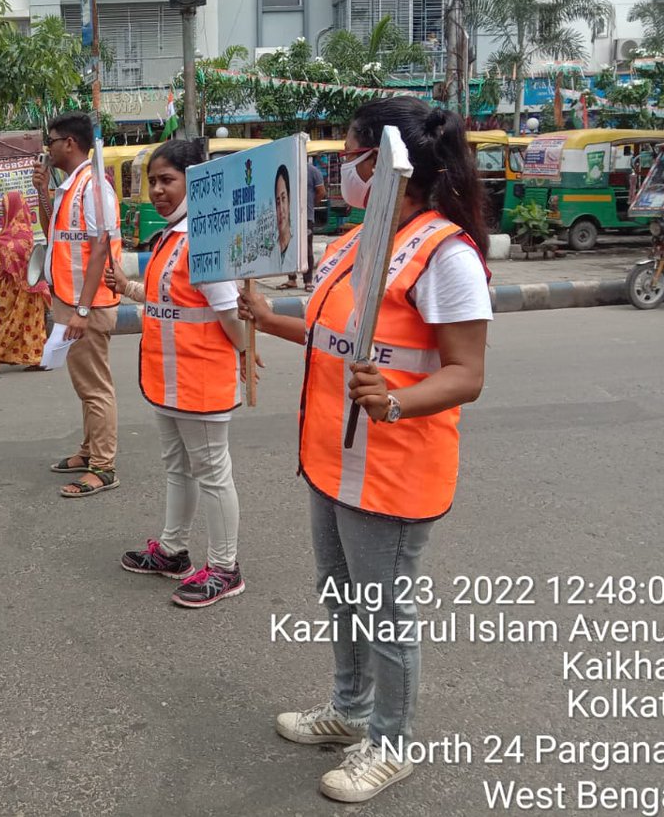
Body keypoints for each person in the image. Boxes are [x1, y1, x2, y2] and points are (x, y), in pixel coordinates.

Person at [239, 97, 491, 803]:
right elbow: (335, 337)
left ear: (384, 165)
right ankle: (348, 711)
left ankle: (391, 743)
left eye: (349, 156)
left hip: (393, 469)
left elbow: (467, 373)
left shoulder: (447, 253)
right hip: (329, 459)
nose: (341, 169)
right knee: (341, 598)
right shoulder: (358, 240)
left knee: (386, 614)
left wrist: (396, 400)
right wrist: (267, 317)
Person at [105, 140, 251, 608]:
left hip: (201, 378)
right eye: (152, 181)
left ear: (195, 181)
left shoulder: (204, 238)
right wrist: (125, 287)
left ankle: (226, 568)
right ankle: (172, 552)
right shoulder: (172, 236)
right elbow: (168, 302)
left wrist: (247, 354)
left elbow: (230, 312)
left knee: (211, 473)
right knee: (178, 468)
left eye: (167, 179)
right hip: (167, 378)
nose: (157, 190)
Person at [33, 112, 122, 499]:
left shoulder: (93, 186)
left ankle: (103, 467)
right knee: (85, 386)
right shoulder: (70, 187)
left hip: (88, 305)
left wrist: (84, 312)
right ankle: (90, 451)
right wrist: (41, 193)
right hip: (70, 301)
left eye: (50, 141)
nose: (47, 149)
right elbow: (54, 231)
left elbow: (100, 246)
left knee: (96, 388)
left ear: (69, 142)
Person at [0, 191, 50, 374]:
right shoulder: (11, 233)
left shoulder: (22, 234)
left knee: (8, 323)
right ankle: (36, 359)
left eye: (5, 208)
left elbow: (13, 254)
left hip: (23, 289)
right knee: (26, 324)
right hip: (16, 288)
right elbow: (6, 259)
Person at [278, 159, 327, 292]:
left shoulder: (312, 171)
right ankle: (292, 279)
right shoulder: (287, 169)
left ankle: (308, 281)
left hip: (306, 217)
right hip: (289, 217)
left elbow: (321, 191)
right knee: (288, 247)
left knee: (307, 248)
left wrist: (310, 205)